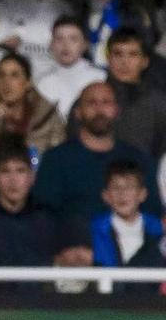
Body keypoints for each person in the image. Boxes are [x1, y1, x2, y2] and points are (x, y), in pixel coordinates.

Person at [30, 83, 158, 227]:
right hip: (71, 244)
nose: (99, 110)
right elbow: (43, 215)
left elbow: (153, 213)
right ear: (78, 112)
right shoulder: (55, 159)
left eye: (106, 102)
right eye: (91, 103)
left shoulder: (138, 159)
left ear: (116, 110)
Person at [0, 140, 54, 266]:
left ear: (31, 177)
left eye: (20, 171)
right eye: (5, 171)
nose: (13, 180)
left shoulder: (46, 217)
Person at [0, 53, 63, 152]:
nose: (6, 82)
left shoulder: (47, 114)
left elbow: (59, 155)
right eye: (1, 75)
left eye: (14, 75)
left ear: (28, 82)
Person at [103, 28, 166, 160]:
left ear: (145, 62)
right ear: (108, 59)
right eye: (118, 54)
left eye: (133, 54)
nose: (124, 62)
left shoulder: (159, 103)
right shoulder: (90, 100)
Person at [91, 162, 165, 269]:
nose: (122, 194)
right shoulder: (94, 229)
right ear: (105, 195)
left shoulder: (159, 229)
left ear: (142, 194)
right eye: (116, 187)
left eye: (129, 187)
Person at [34, 17, 106, 120]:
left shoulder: (100, 78)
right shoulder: (42, 83)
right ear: (51, 44)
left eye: (73, 39)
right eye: (59, 39)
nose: (65, 45)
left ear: (85, 45)